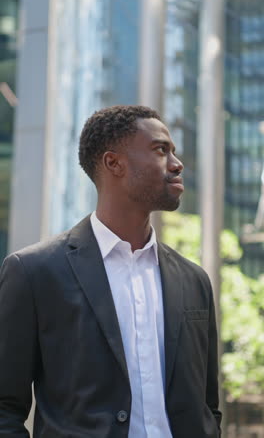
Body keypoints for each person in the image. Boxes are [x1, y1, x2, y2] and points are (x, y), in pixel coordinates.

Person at [0, 105, 222, 437]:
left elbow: (208, 406)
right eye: (161, 150)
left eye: (173, 152)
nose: (177, 164)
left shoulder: (194, 280)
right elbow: (5, 409)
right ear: (113, 163)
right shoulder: (33, 271)